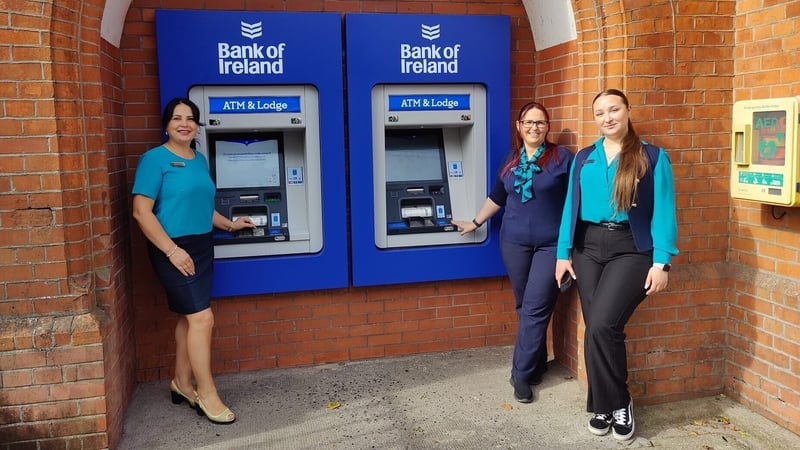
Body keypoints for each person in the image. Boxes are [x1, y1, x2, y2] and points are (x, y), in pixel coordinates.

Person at [554, 89, 678, 441]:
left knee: (602, 326)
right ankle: (605, 406)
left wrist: (661, 262)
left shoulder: (651, 157)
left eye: (614, 110)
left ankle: (618, 401)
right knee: (600, 329)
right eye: (599, 112)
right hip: (587, 248)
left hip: (631, 248)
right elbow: (570, 209)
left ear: (627, 111)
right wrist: (563, 253)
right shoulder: (584, 158)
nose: (607, 117)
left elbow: (664, 211)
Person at [132, 97, 255, 425]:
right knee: (203, 319)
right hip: (171, 249)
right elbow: (141, 212)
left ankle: (181, 383)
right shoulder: (153, 160)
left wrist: (230, 224)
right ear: (167, 125)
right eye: (177, 118)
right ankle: (207, 392)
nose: (184, 123)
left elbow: (203, 207)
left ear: (197, 125)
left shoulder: (198, 159)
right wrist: (172, 251)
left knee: (189, 319)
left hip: (201, 246)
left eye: (190, 118)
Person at [452, 101, 573, 403]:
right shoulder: (511, 159)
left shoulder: (562, 158)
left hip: (550, 245)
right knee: (525, 306)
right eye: (528, 122)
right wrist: (476, 221)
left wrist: (569, 247)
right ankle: (535, 365)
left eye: (540, 123)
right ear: (519, 127)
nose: (534, 127)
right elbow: (497, 196)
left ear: (548, 127)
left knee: (535, 306)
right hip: (514, 243)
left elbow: (576, 201)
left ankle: (519, 375)